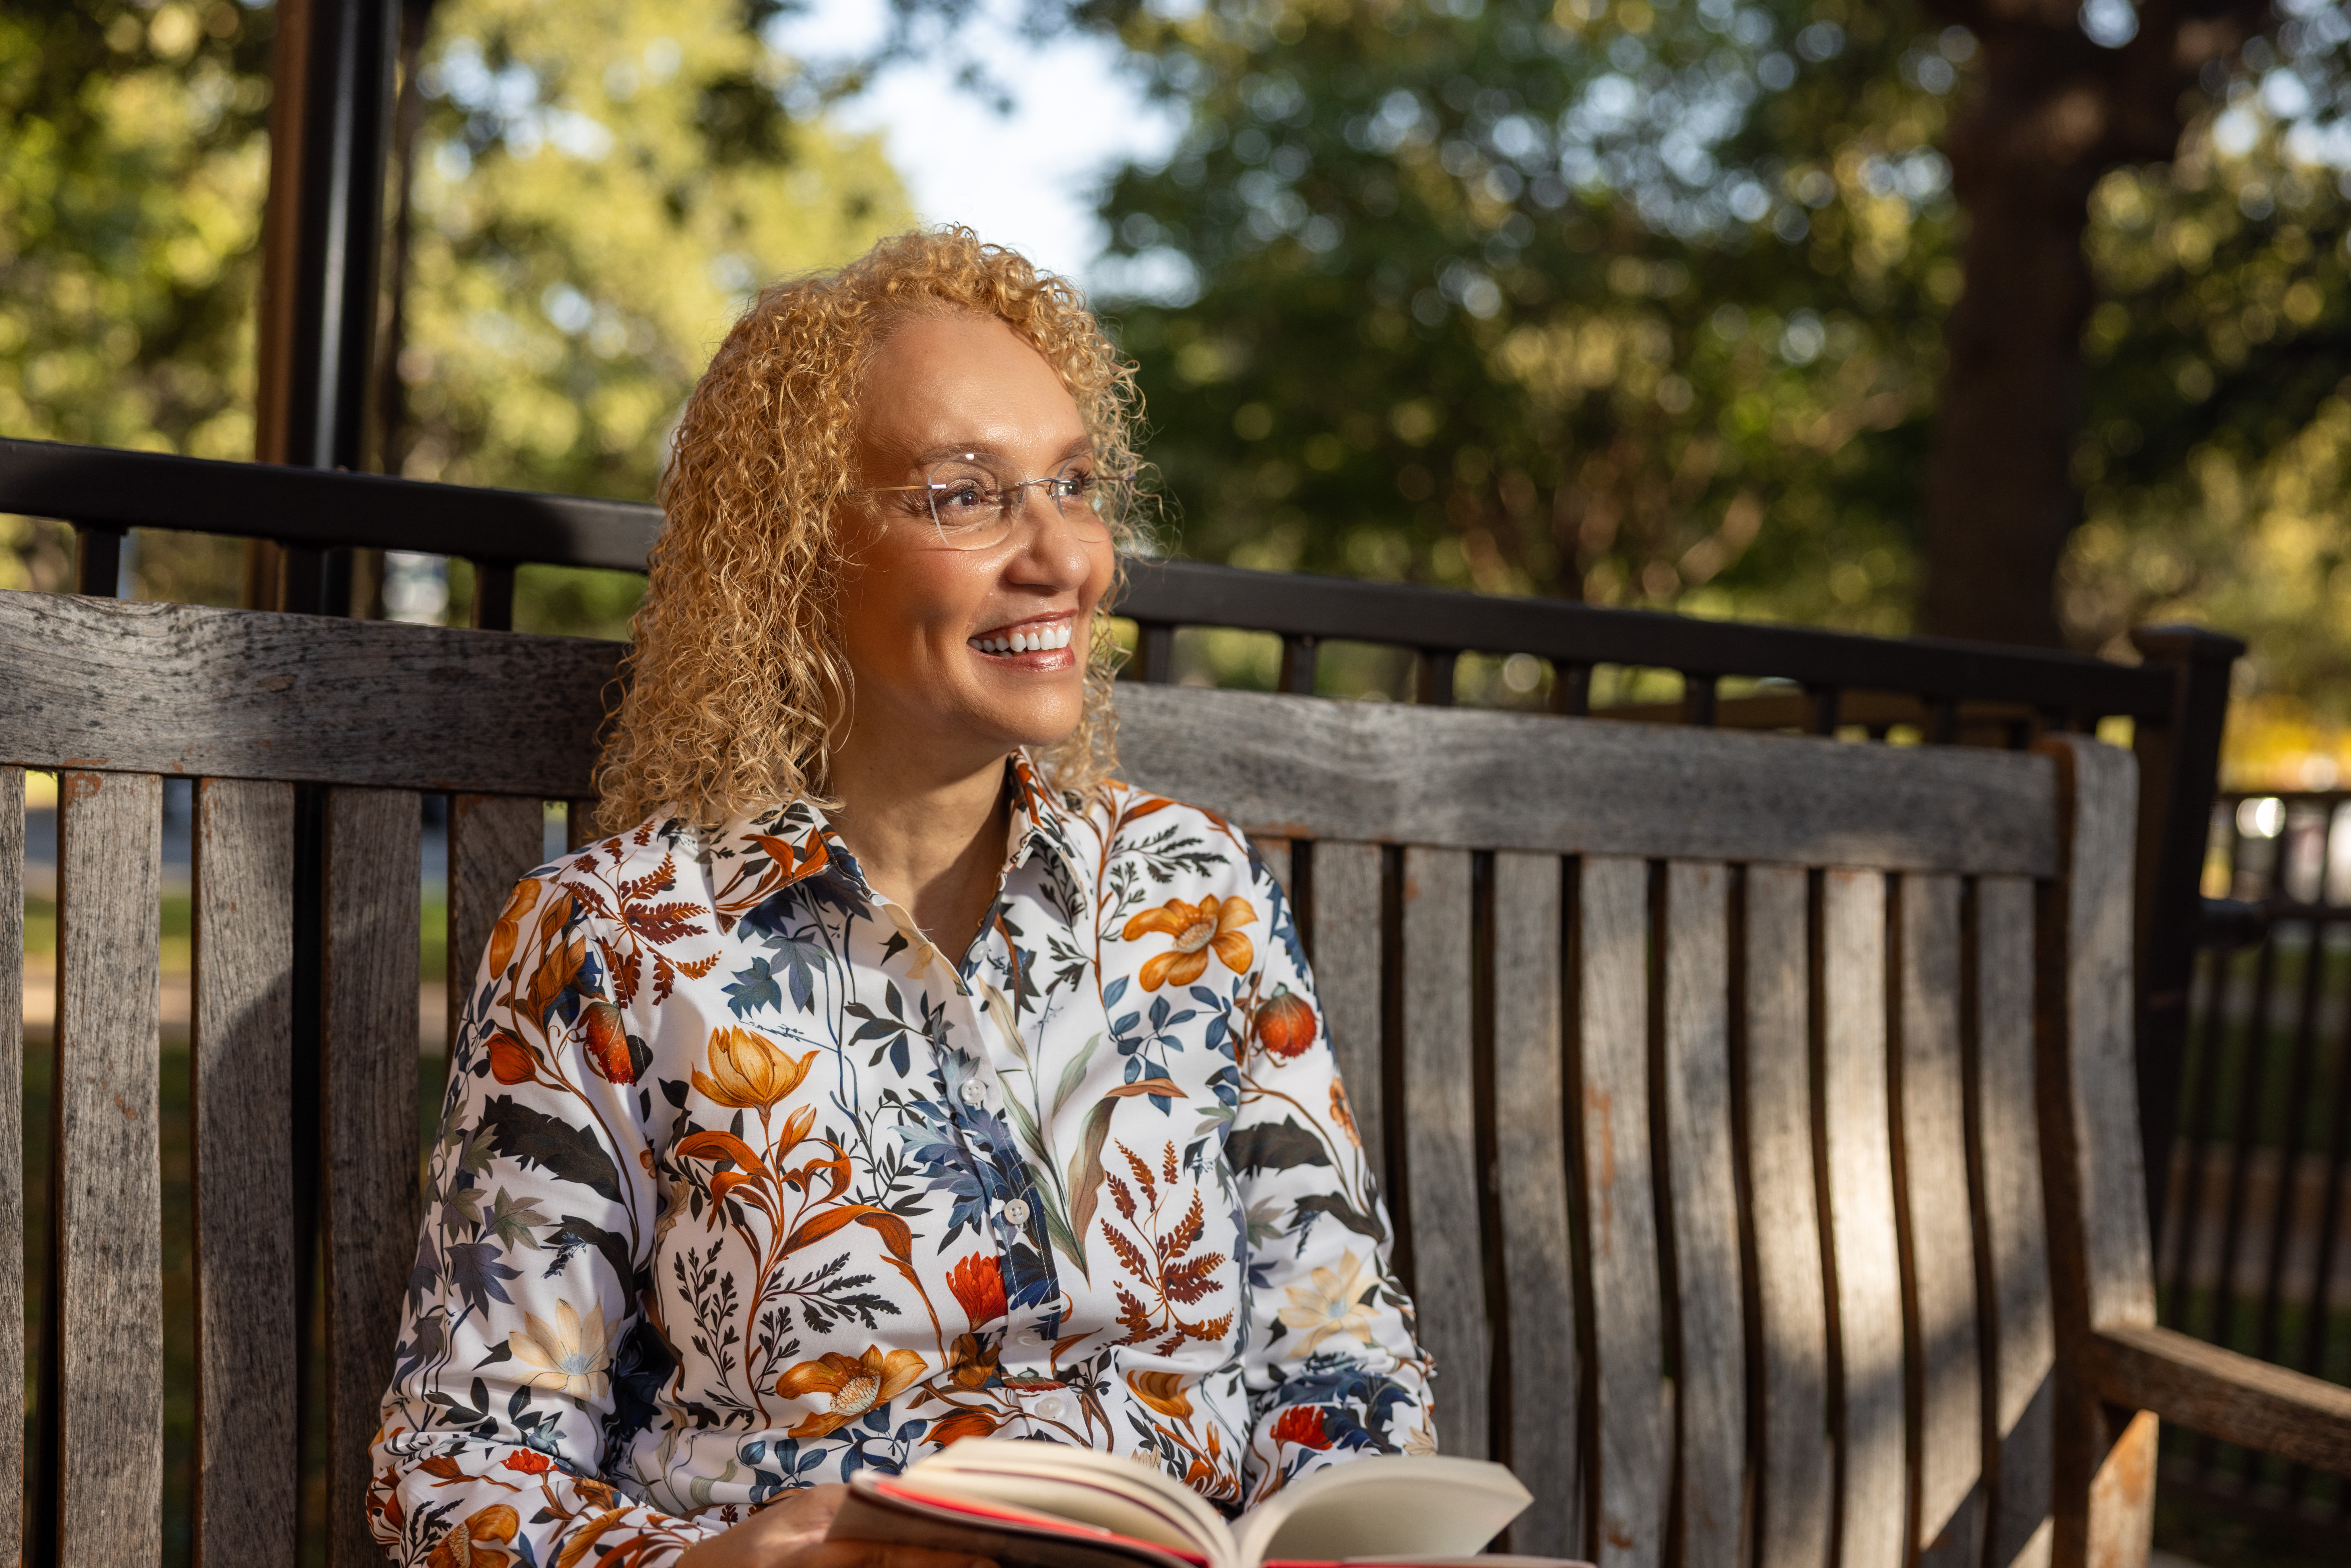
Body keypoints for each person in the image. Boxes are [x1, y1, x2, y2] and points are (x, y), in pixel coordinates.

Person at [369, 227, 1433, 1568]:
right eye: (963, 496)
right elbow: (459, 1467)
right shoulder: (616, 940)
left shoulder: (1195, 892)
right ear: (796, 552)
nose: (1066, 559)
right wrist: (725, 1565)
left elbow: (1342, 1359)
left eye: (1071, 484)